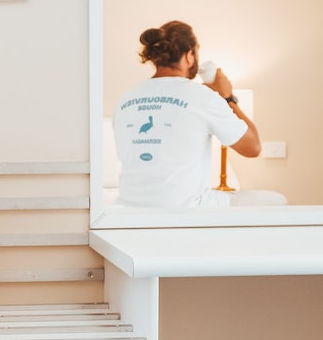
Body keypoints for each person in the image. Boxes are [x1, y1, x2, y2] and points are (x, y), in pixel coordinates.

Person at [112, 20, 281, 207]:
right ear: (190, 55)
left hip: (127, 211)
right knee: (276, 200)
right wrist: (227, 97)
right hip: (187, 210)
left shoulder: (125, 99)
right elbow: (253, 147)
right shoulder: (201, 96)